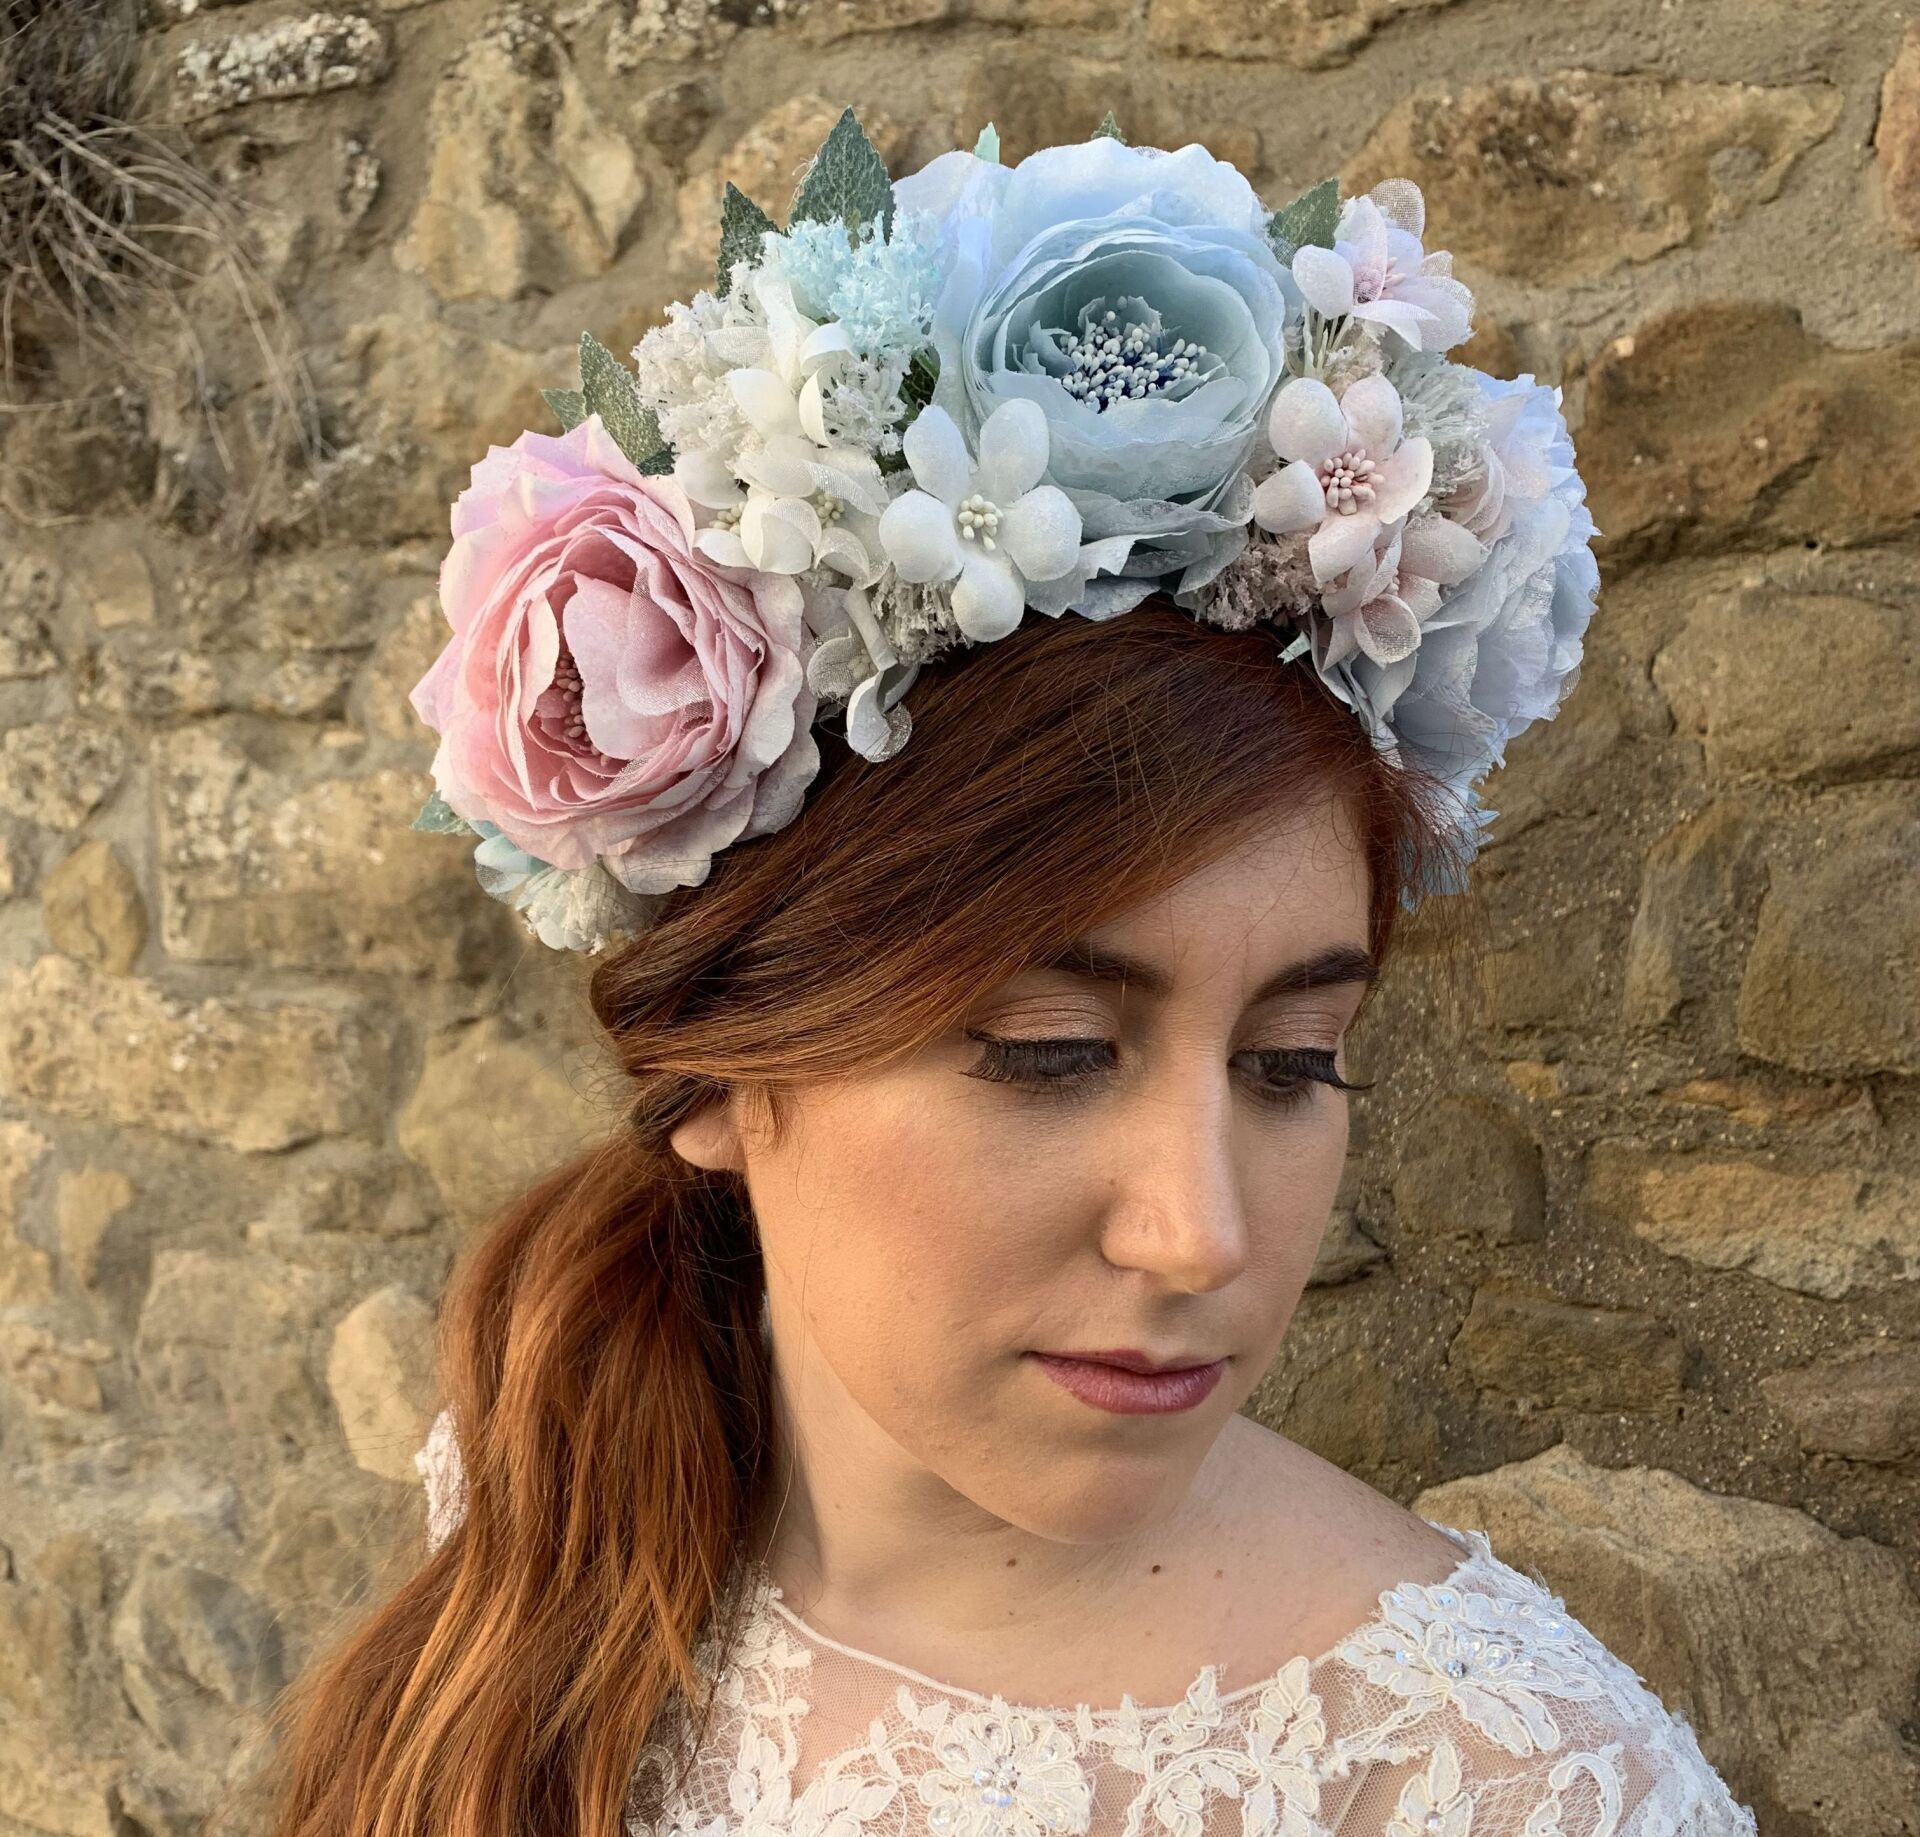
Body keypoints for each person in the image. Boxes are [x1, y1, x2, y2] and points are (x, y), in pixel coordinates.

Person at [267, 129, 1759, 1837]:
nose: (1199, 1237)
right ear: (724, 1070)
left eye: (1292, 1059)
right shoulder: (548, 1506)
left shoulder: (1509, 1785)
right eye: (1051, 1050)